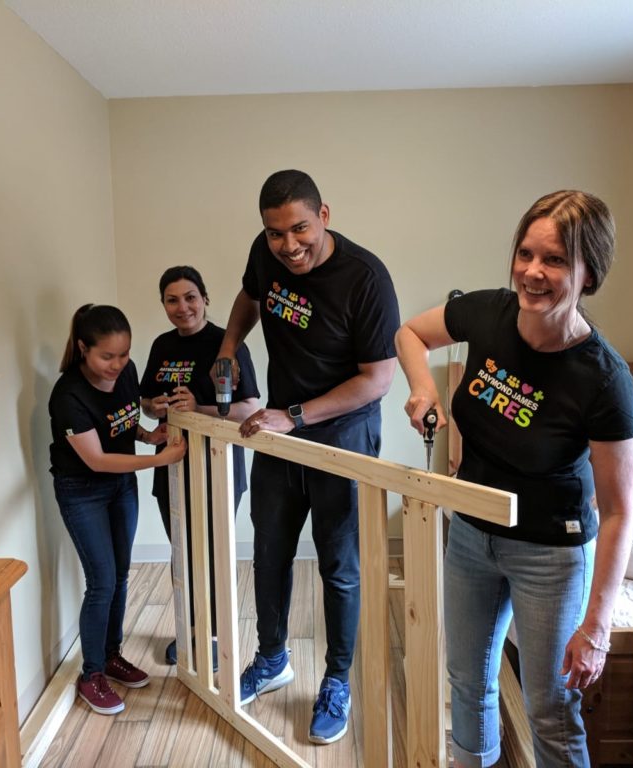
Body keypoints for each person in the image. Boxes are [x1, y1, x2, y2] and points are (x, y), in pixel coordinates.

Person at [395, 190, 633, 767]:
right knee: (468, 683)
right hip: (471, 537)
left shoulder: (604, 380)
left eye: (554, 261)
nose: (533, 272)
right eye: (526, 253)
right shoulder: (489, 313)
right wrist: (425, 389)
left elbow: (621, 510)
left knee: (550, 709)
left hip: (551, 555)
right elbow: (410, 333)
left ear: (589, 273)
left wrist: (597, 625)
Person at [216, 169, 400, 745]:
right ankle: (272, 660)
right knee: (268, 552)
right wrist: (228, 346)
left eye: (299, 229)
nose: (289, 247)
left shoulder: (366, 278)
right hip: (279, 426)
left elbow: (377, 380)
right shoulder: (265, 253)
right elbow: (250, 297)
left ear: (324, 214)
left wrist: (294, 416)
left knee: (338, 567)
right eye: (275, 234)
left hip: (342, 434)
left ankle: (338, 679)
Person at [49, 304, 187, 716]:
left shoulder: (126, 374)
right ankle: (90, 674)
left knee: (121, 575)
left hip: (120, 486)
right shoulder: (68, 395)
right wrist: (160, 459)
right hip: (83, 489)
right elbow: (96, 459)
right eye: (106, 356)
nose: (118, 364)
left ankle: (112, 655)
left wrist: (148, 434)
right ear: (82, 349)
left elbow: (122, 424)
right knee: (102, 581)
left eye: (124, 354)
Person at [139, 266, 260, 666]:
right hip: (171, 466)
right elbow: (145, 399)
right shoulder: (161, 345)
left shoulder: (227, 344)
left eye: (190, 297)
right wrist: (153, 406)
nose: (183, 307)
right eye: (172, 300)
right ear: (163, 305)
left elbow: (249, 409)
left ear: (205, 298)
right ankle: (187, 629)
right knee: (183, 552)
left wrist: (199, 408)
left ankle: (212, 634)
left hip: (218, 467)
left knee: (212, 553)